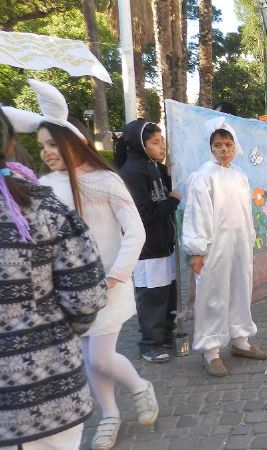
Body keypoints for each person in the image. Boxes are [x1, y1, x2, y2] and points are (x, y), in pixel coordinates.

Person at [30, 78, 157, 450]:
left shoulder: (105, 180)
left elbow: (135, 231)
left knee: (98, 356)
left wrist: (116, 276)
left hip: (107, 286)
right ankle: (110, 414)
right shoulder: (43, 185)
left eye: (54, 144)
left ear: (74, 142)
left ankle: (139, 386)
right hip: (65, 293)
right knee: (89, 356)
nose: (47, 152)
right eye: (41, 147)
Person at [0, 106, 107, 450]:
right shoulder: (44, 207)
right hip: (48, 386)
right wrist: (51, 329)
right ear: (12, 142)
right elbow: (86, 295)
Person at [183, 118, 267, 377]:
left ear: (235, 147)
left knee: (240, 289)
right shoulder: (203, 177)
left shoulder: (240, 176)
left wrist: (249, 239)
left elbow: (245, 212)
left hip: (239, 245)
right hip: (214, 248)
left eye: (228, 144)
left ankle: (241, 340)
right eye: (218, 145)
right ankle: (211, 351)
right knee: (212, 295)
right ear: (211, 148)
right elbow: (197, 215)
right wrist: (197, 250)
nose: (224, 149)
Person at [117, 119, 181, 364]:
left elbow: (161, 192)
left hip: (163, 244)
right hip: (148, 247)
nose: (161, 145)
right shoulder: (132, 172)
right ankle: (149, 344)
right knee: (152, 297)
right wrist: (172, 201)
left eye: (161, 140)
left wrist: (168, 175)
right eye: (155, 142)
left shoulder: (152, 166)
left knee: (166, 294)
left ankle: (164, 336)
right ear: (140, 145)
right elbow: (144, 213)